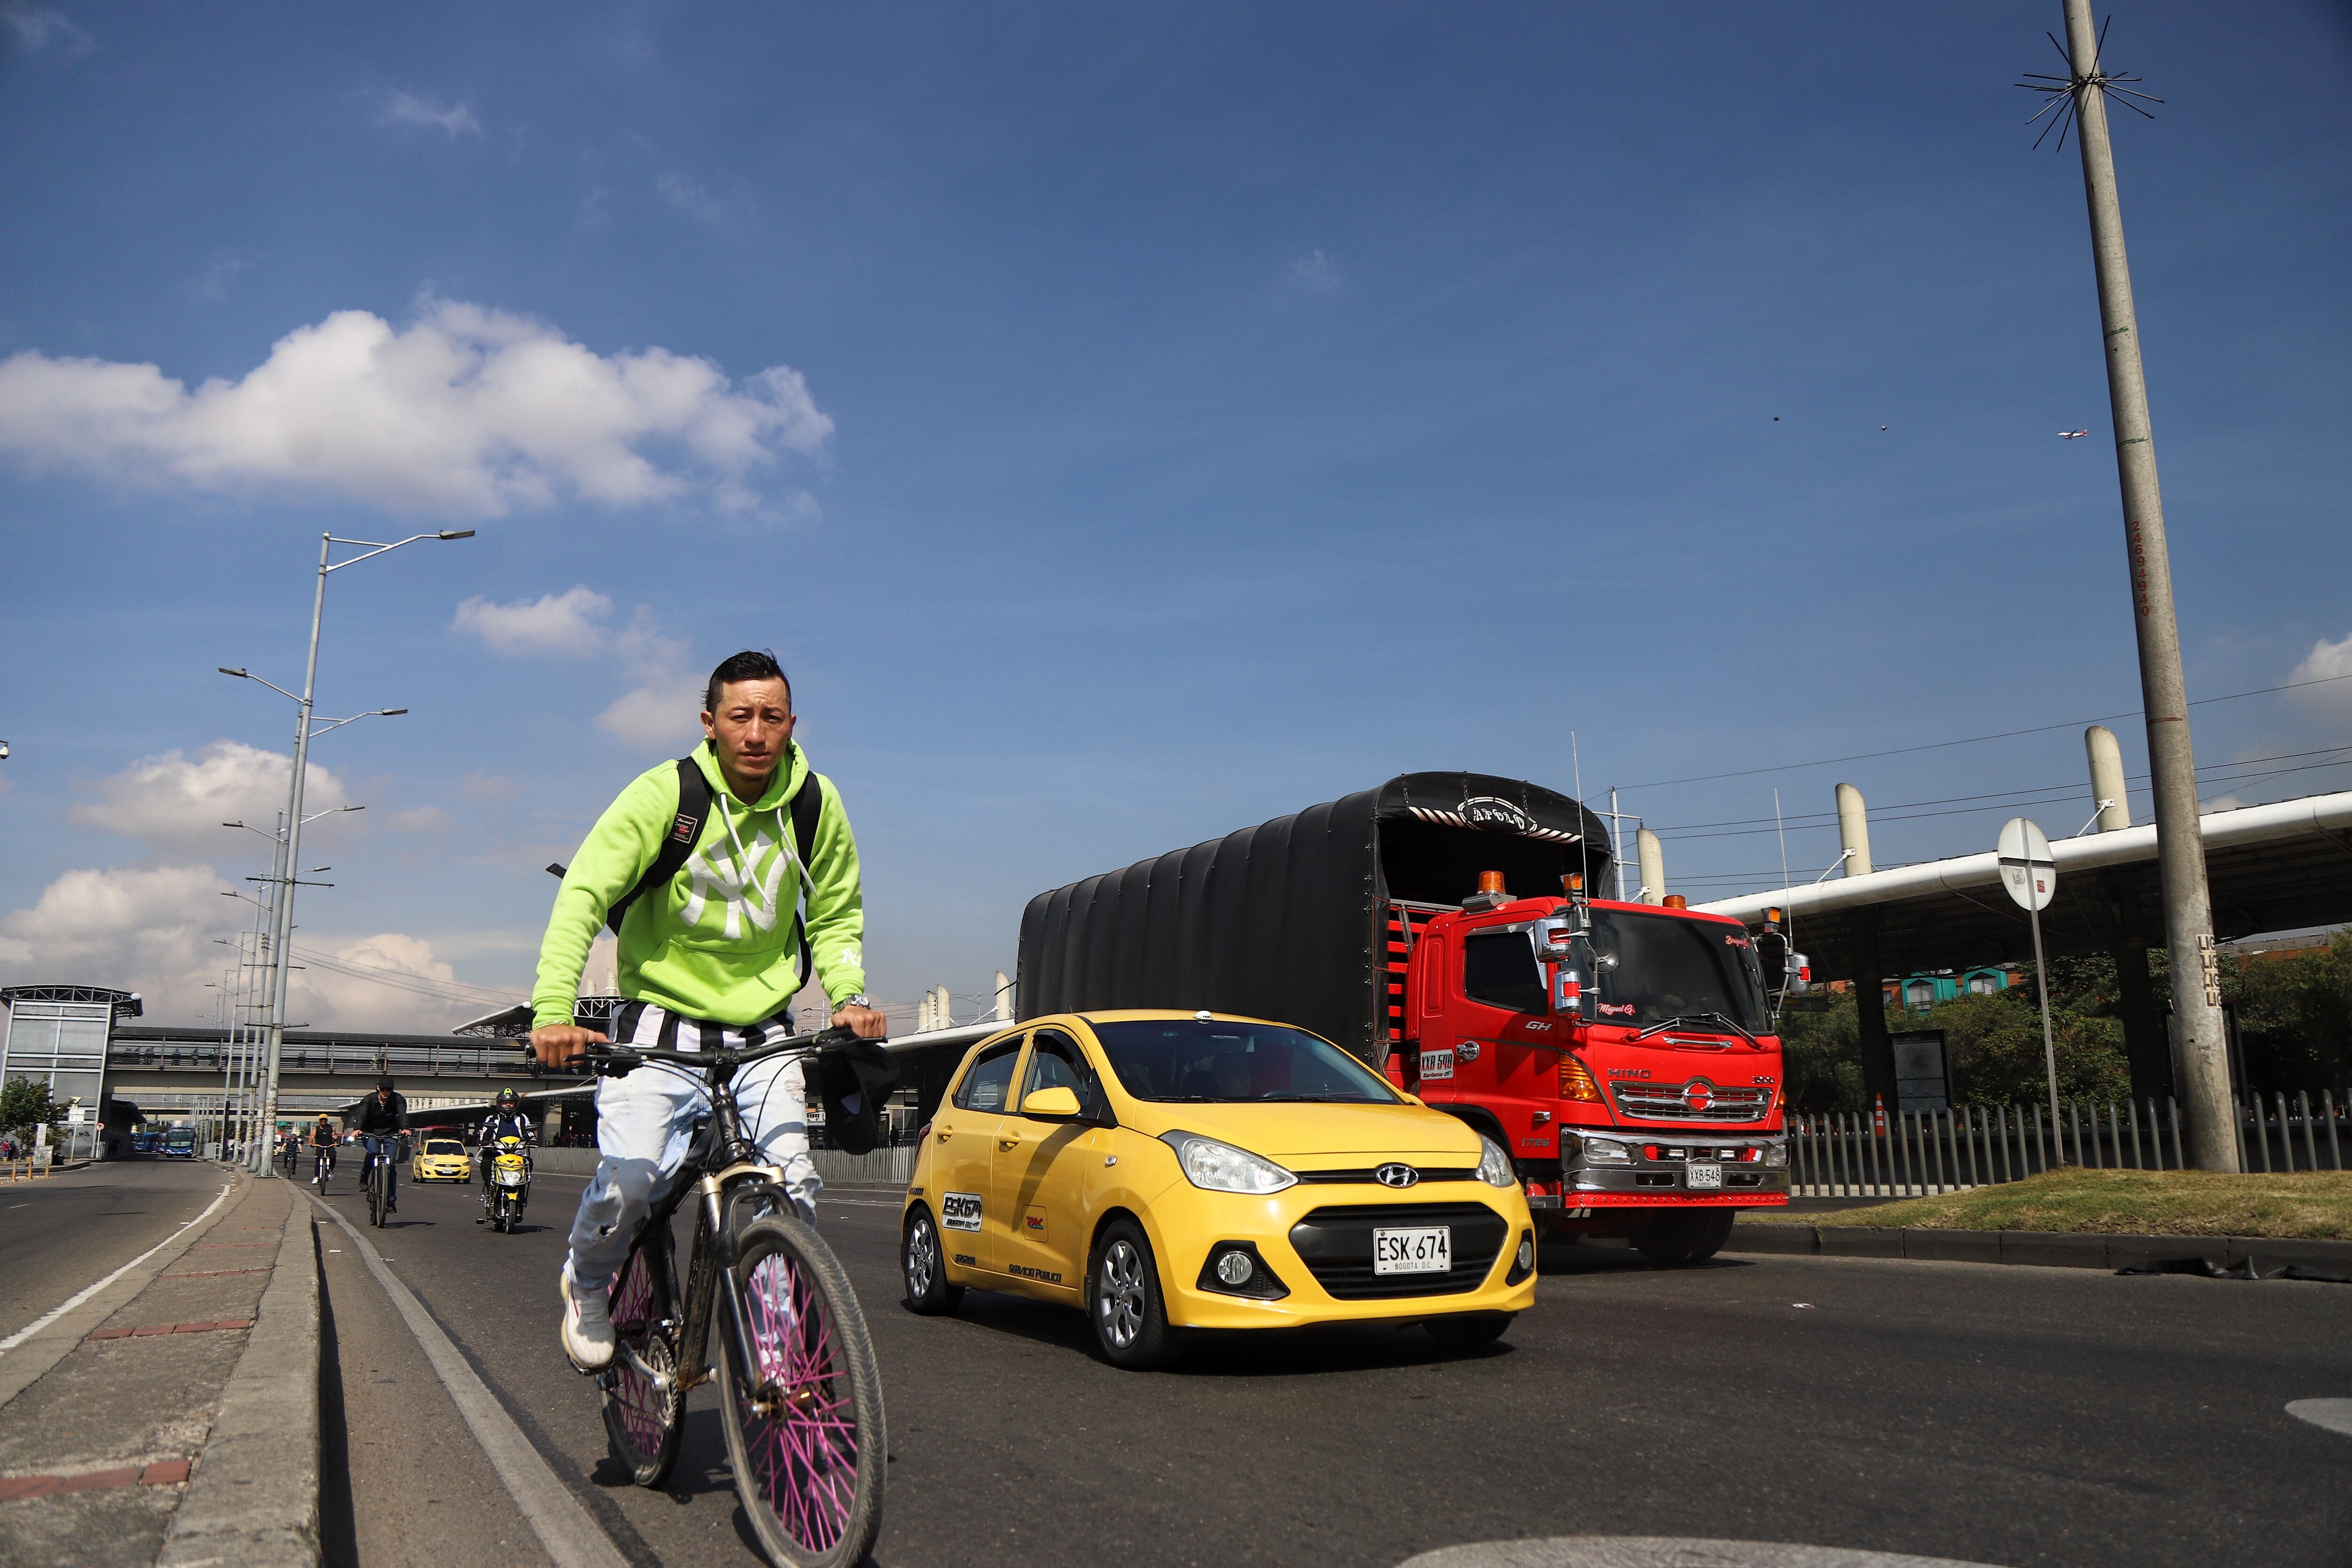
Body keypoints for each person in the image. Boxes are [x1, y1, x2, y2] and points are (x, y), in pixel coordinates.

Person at [531, 650, 883, 1371]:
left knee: (790, 1185)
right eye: (740, 716)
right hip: (661, 1029)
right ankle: (590, 1281)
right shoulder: (666, 794)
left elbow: (837, 914)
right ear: (710, 723)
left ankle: (779, 1352)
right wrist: (552, 1012)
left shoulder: (816, 804)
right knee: (632, 1183)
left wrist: (849, 999)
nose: (756, 733)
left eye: (772, 717)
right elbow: (583, 897)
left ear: (791, 724)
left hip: (765, 1034)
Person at [351, 1077, 411, 1213]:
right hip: (371, 1132)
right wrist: (357, 1129)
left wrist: (405, 1127)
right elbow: (361, 1114)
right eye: (383, 1089)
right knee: (372, 1152)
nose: (385, 1092)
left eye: (388, 1090)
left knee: (391, 1165)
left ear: (392, 1090)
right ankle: (364, 1178)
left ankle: (391, 1200)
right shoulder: (369, 1100)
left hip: (391, 1133)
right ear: (378, 1087)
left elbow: (402, 1114)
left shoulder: (398, 1099)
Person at [476, 1088, 537, 1220]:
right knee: (486, 1164)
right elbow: (485, 1134)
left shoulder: (522, 1118)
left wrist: (531, 1139)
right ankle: (491, 1192)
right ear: (499, 1104)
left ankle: (522, 1198)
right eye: (505, 1103)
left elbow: (529, 1132)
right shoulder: (492, 1119)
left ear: (516, 1104)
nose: (508, 1105)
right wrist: (486, 1142)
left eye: (511, 1102)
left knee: (529, 1163)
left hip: (517, 1154)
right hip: (497, 1154)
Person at [307, 1115, 338, 1186]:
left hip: (330, 1147)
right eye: (322, 1120)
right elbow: (312, 1137)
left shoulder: (331, 1128)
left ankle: (331, 1170)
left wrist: (336, 1139)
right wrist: (310, 1143)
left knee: (333, 1157)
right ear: (320, 1121)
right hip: (320, 1147)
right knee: (318, 1160)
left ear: (327, 1121)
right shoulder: (316, 1129)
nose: (323, 1121)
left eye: (325, 1120)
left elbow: (334, 1136)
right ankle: (317, 1177)